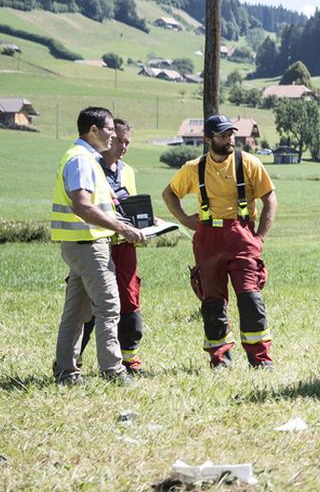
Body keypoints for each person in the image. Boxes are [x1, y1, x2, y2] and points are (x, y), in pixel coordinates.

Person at [162, 115, 278, 368]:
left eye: (231, 134)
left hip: (242, 236)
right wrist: (184, 218)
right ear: (208, 139)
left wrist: (260, 237)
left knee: (250, 298)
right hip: (208, 239)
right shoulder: (194, 168)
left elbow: (270, 198)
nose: (229, 139)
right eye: (223, 135)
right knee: (212, 302)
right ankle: (220, 359)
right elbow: (169, 194)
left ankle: (260, 360)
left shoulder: (249, 163)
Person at [51, 106, 145, 384]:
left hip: (79, 244)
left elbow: (100, 205)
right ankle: (113, 372)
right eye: (109, 129)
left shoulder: (82, 157)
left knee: (76, 313)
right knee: (108, 308)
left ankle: (66, 372)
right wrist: (121, 228)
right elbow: (82, 205)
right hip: (89, 245)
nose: (113, 134)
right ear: (93, 131)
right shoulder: (81, 160)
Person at [80, 118, 148, 372]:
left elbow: (128, 206)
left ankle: (129, 359)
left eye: (128, 142)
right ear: (108, 136)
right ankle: (74, 357)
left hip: (124, 245)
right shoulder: (90, 166)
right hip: (97, 243)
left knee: (129, 299)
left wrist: (148, 221)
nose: (123, 146)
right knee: (89, 303)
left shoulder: (128, 171)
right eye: (119, 140)